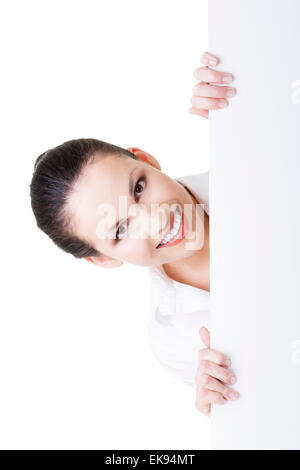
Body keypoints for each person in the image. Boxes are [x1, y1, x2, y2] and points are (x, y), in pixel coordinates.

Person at [29, 51, 239, 418]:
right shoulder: (174, 340)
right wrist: (219, 408)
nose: (156, 221)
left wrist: (249, 99)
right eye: (121, 228)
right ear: (104, 258)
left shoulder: (251, 165)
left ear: (147, 161)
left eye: (139, 187)